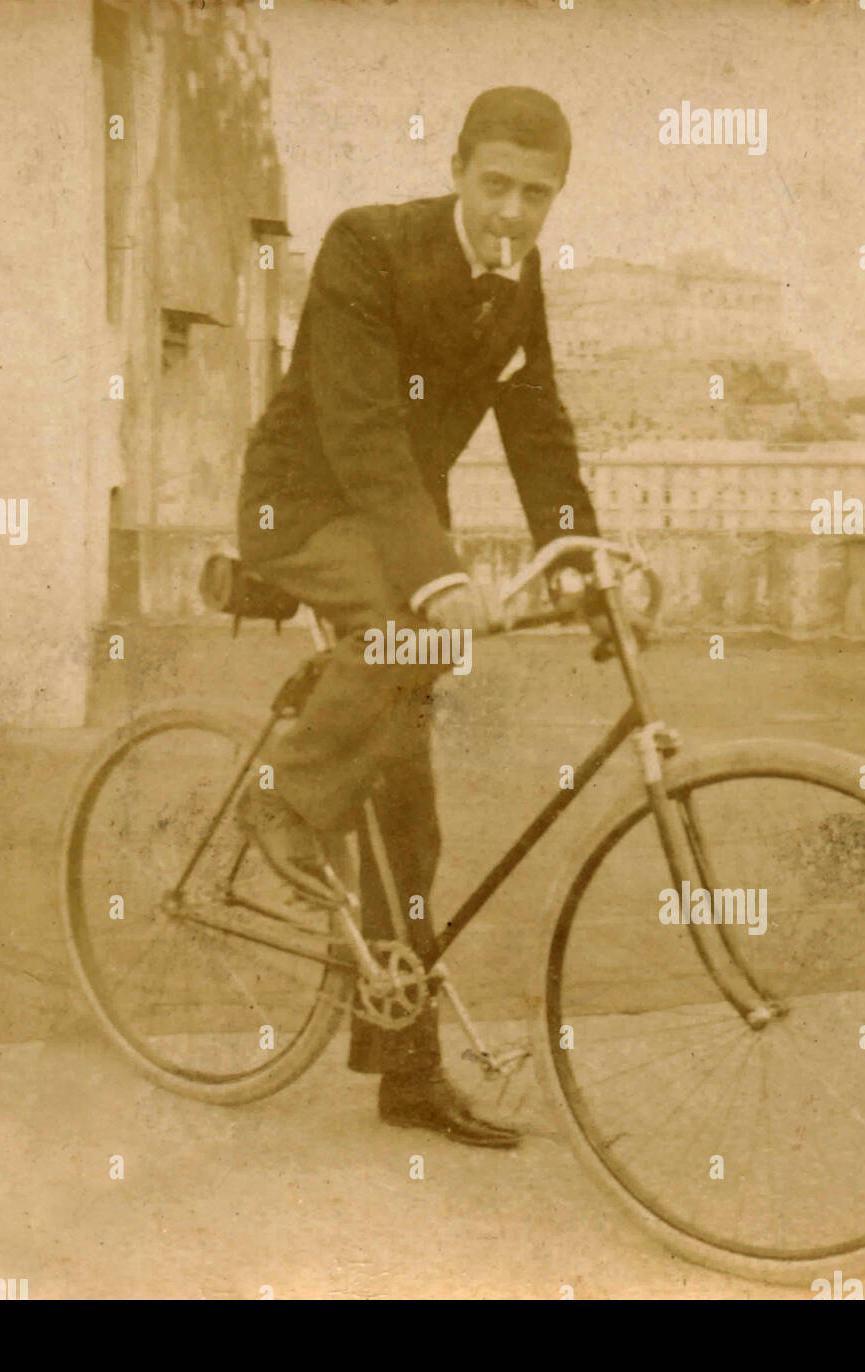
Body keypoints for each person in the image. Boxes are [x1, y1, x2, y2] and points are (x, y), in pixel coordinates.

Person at [234, 87, 602, 1148]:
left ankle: (406, 1069)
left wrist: (581, 554)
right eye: (496, 184)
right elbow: (355, 429)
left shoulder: (517, 281)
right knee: (422, 632)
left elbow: (539, 430)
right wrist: (439, 578)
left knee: (411, 817)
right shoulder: (366, 246)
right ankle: (286, 796)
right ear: (455, 170)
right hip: (303, 503)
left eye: (537, 194)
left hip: (396, 531)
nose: (513, 211)